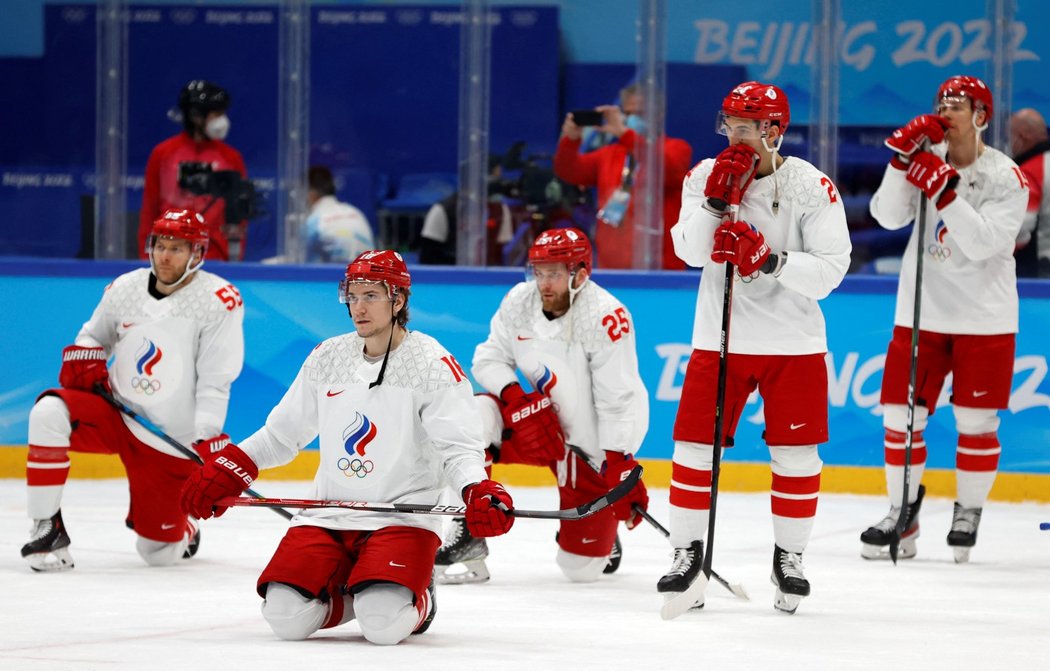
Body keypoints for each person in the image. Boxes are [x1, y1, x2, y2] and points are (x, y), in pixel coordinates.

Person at [178, 250, 514, 646]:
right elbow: (281, 435)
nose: (358, 307)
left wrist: (477, 489)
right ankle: (363, 588)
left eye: (371, 295)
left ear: (399, 300)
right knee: (284, 617)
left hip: (400, 521)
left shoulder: (433, 365)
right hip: (327, 517)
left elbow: (458, 449)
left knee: (384, 627)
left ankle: (415, 594)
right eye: (352, 296)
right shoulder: (327, 357)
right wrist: (231, 467)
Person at [660, 81, 850, 615]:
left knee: (795, 456)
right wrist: (717, 203)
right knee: (694, 451)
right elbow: (690, 252)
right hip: (718, 341)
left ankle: (789, 557)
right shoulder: (704, 175)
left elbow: (832, 270)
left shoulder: (812, 186)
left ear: (774, 131)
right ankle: (686, 553)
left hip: (794, 344)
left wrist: (771, 260)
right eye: (728, 125)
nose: (731, 136)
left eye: (743, 126)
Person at [861, 76, 1028, 563]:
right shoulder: (923, 157)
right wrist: (900, 161)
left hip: (985, 317)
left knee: (976, 421)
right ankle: (902, 512)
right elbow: (886, 216)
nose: (946, 111)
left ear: (981, 116)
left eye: (958, 104)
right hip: (922, 312)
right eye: (942, 103)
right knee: (900, 415)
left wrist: (946, 191)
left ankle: (967, 511)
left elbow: (981, 245)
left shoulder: (1006, 177)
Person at [21, 208, 245, 572]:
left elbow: (215, 378)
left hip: (170, 440)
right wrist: (87, 354)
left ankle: (183, 529)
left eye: (177, 247)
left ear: (197, 254)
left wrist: (207, 434)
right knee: (48, 411)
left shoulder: (219, 300)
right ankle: (46, 526)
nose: (165, 255)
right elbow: (93, 336)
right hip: (116, 415)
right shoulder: (124, 287)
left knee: (158, 553)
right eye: (160, 244)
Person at [433, 227, 650, 585]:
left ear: (580, 273)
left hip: (587, 446)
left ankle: (602, 533)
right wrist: (515, 396)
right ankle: (469, 527)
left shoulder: (607, 317)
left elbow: (619, 399)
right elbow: (488, 357)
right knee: (472, 416)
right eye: (538, 271)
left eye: (555, 273)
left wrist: (619, 461)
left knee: (580, 570)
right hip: (534, 425)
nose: (544, 282)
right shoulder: (520, 300)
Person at [553, 89, 693, 270]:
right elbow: (569, 171)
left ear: (659, 114)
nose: (633, 119)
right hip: (610, 267)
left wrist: (625, 134)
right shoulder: (610, 153)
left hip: (660, 268)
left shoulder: (676, 148)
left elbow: (666, 169)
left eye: (640, 113)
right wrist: (570, 140)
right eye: (628, 113)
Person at [139, 80, 249, 262]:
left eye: (223, 113)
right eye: (216, 114)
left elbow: (239, 215)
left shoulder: (231, 158)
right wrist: (146, 258)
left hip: (216, 256)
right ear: (196, 116)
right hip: (169, 254)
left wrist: (234, 259)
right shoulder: (163, 153)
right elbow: (149, 209)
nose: (222, 120)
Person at [419, 155, 514, 265]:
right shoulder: (442, 210)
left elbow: (502, 254)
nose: (499, 179)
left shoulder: (500, 210)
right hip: (450, 278)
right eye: (495, 174)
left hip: (487, 279)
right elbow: (427, 258)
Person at [1008, 108, 1050, 277]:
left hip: (1042, 268)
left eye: (1010, 136)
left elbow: (1020, 231)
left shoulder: (1033, 169)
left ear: (1022, 136)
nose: (1009, 142)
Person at [304, 165, 375, 263]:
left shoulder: (314, 221)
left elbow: (304, 264)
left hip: (339, 276)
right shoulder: (356, 212)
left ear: (311, 193)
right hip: (371, 274)